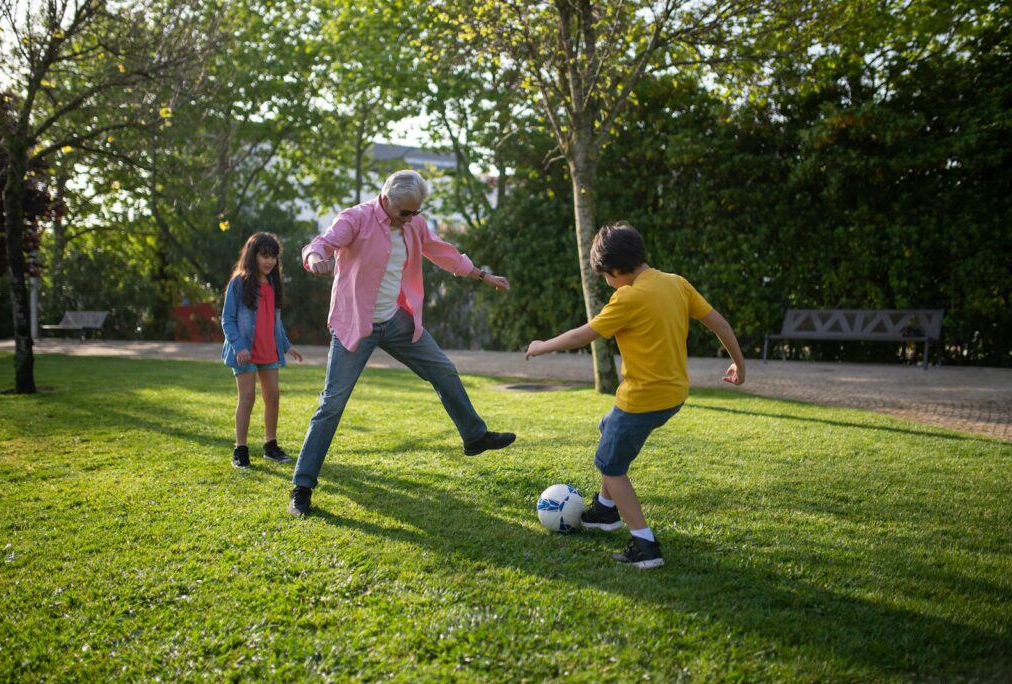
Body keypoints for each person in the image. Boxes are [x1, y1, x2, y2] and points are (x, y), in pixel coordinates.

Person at [288, 170, 516, 516]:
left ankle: (474, 436)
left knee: (443, 369)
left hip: (396, 320)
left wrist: (481, 275)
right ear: (385, 199)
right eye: (405, 212)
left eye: (416, 212)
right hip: (356, 325)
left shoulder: (414, 225)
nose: (410, 219)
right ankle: (302, 487)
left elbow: (442, 252)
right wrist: (313, 258)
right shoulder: (357, 219)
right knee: (332, 404)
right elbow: (321, 243)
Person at [525, 221, 745, 569]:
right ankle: (604, 511)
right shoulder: (677, 283)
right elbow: (719, 323)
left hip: (642, 399)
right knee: (606, 427)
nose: (607, 282)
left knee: (611, 466)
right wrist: (739, 364)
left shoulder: (628, 297)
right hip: (674, 394)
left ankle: (645, 546)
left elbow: (582, 336)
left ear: (615, 270)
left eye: (605, 276)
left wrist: (541, 346)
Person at [221, 232, 304, 469]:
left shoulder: (272, 283)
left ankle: (270, 446)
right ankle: (240, 449)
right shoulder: (239, 282)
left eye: (273, 257)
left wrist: (287, 346)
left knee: (273, 396)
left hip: (269, 349)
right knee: (247, 398)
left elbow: (274, 321)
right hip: (244, 351)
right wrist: (239, 346)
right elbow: (227, 319)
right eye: (264, 256)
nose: (269, 262)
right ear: (252, 255)